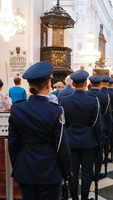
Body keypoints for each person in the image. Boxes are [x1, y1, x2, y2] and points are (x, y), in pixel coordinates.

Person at [8, 61, 72, 200]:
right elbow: (61, 145)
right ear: (49, 85)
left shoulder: (17, 109)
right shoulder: (55, 111)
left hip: (25, 168)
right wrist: (66, 171)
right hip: (50, 170)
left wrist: (18, 167)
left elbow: (13, 144)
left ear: (29, 86)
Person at [60, 70, 102, 200]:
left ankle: (74, 197)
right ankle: (84, 197)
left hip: (70, 141)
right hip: (88, 141)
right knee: (87, 171)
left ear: (72, 83)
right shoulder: (93, 100)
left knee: (72, 172)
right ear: (86, 83)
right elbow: (97, 124)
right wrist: (99, 144)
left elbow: (62, 123)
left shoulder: (64, 100)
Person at [88, 74, 113, 179]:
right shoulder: (104, 96)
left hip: (89, 127)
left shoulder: (87, 95)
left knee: (89, 150)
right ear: (100, 84)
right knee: (99, 150)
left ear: (89, 84)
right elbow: (107, 113)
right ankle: (97, 172)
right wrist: (109, 126)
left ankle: (88, 172)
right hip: (102, 126)